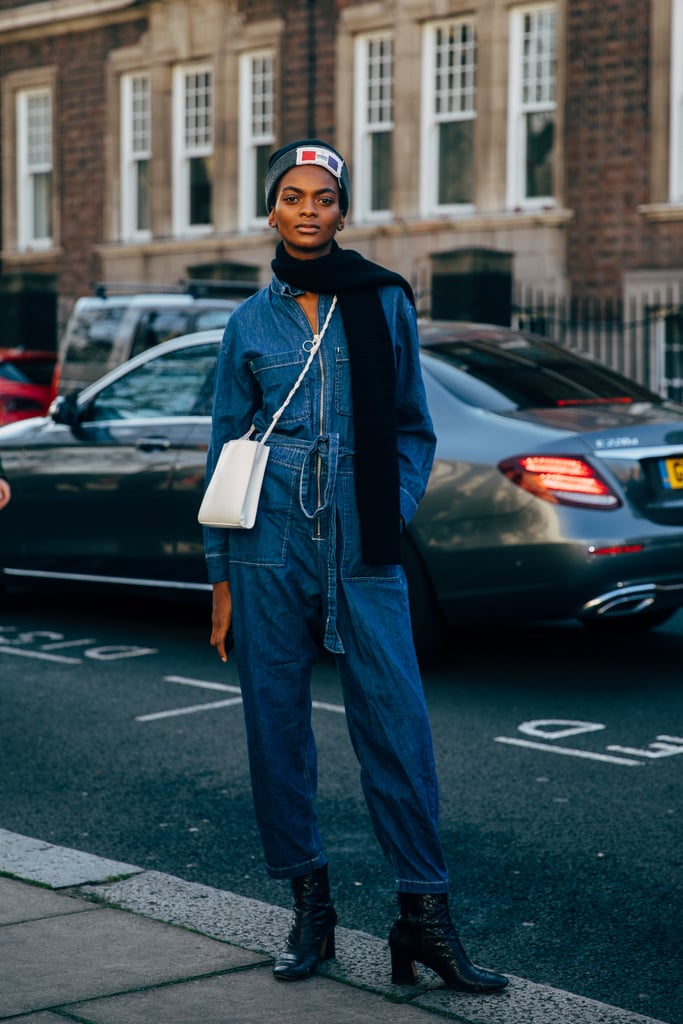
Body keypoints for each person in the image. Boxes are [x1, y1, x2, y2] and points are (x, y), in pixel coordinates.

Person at [203, 139, 508, 993]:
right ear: (270, 210)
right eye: (292, 196)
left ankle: (424, 919)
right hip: (265, 544)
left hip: (365, 543)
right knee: (276, 725)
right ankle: (312, 911)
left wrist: (390, 507)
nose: (308, 210)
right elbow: (225, 452)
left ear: (343, 211)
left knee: (397, 728)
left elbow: (412, 425)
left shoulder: (380, 302)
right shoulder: (245, 325)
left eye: (324, 198)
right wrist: (220, 575)